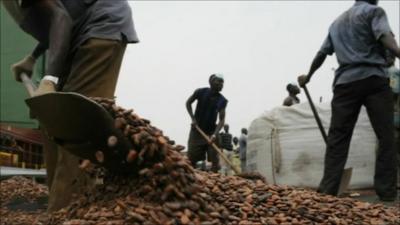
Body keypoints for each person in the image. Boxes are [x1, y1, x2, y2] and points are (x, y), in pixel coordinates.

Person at [3, 0, 139, 211]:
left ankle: (66, 213)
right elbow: (57, 21)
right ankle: (58, 209)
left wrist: (49, 80)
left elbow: (61, 18)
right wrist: (32, 57)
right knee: (52, 123)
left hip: (101, 27)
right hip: (75, 35)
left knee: (75, 126)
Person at [298, 0, 400, 201]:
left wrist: (308, 76)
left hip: (345, 84)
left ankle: (328, 189)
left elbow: (321, 54)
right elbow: (386, 37)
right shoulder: (374, 12)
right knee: (386, 135)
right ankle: (386, 191)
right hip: (373, 79)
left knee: (338, 139)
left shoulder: (337, 23)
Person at [186, 74, 228, 172]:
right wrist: (193, 118)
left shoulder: (222, 100)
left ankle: (215, 178)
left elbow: (221, 120)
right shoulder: (200, 92)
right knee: (192, 158)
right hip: (197, 131)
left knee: (214, 160)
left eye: (223, 83)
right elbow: (188, 103)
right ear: (211, 82)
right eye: (219, 81)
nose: (221, 84)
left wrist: (214, 134)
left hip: (211, 132)